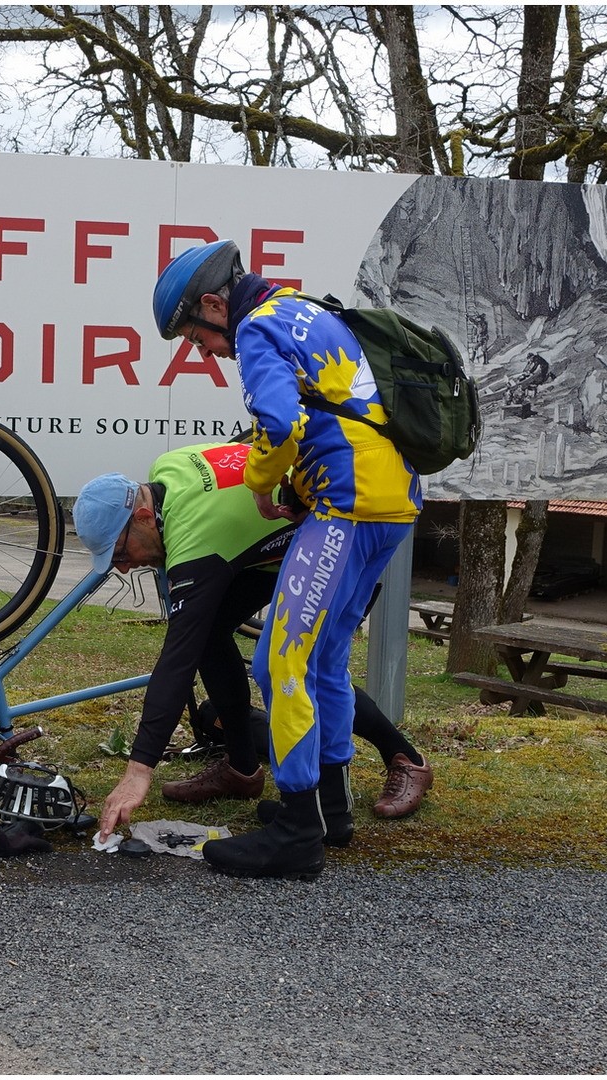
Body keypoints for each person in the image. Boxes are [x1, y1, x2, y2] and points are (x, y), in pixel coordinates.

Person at [149, 240, 423, 879]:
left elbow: (279, 422)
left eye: (195, 336)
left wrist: (262, 482)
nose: (203, 351)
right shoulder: (300, 307)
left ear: (214, 304)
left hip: (346, 504)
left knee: (280, 660)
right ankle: (331, 811)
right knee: (325, 659)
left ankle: (299, 832)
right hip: (394, 499)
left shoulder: (255, 328)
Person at [73, 444, 436, 848]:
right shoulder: (168, 468)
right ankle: (243, 769)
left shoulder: (194, 540)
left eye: (120, 552)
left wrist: (139, 769)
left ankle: (402, 759)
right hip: (285, 542)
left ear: (143, 516)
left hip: (346, 532)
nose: (124, 567)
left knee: (302, 665)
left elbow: (176, 662)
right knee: (208, 631)